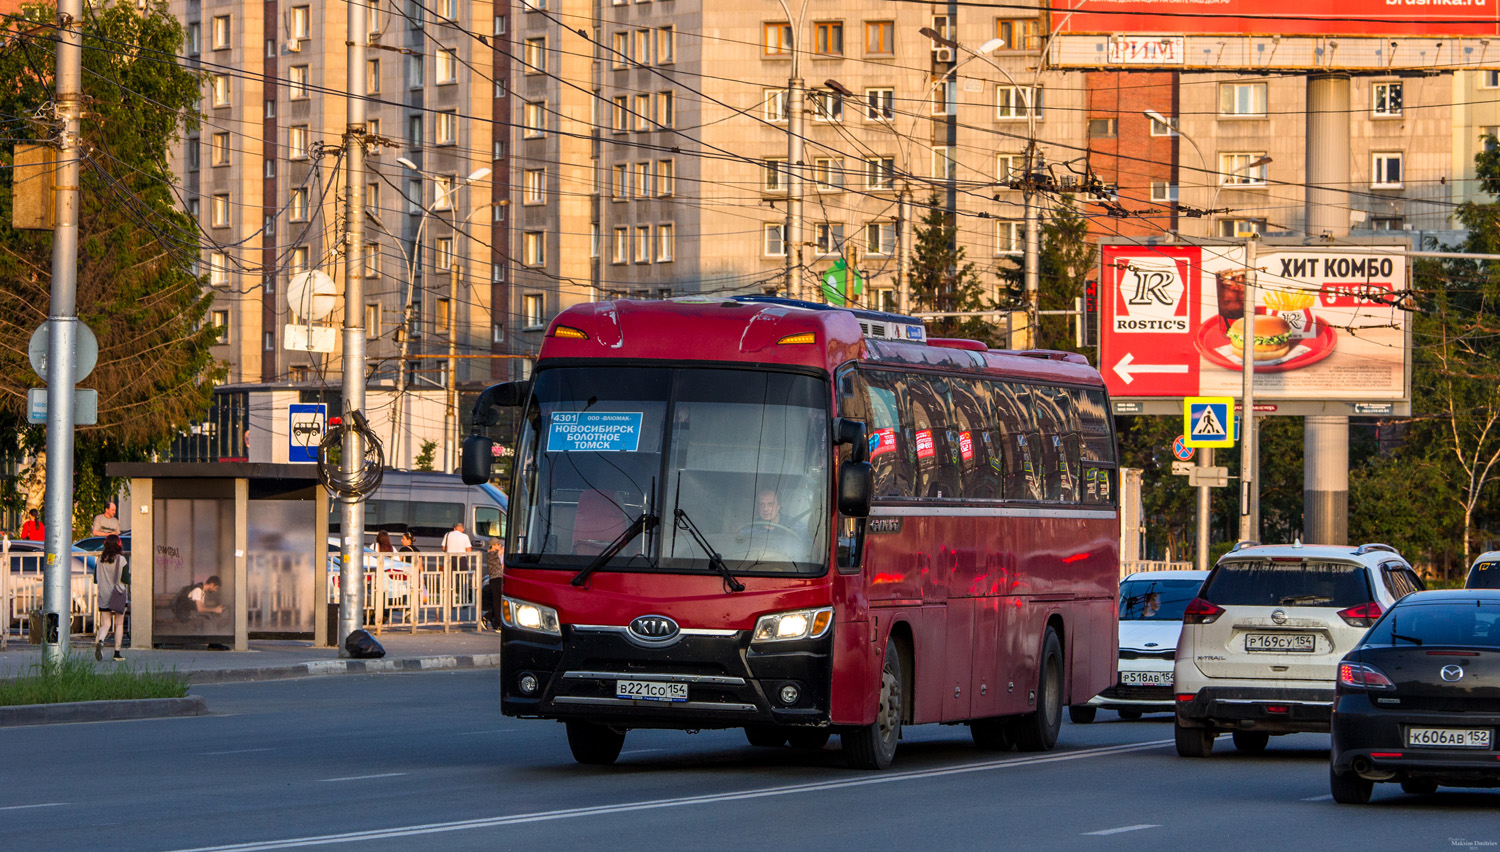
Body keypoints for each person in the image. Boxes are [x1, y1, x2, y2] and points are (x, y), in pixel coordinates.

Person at [93, 535, 128, 661]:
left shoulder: (100, 560)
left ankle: (100, 640)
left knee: (106, 623)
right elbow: (125, 579)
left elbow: (96, 579)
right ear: (119, 544)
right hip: (117, 594)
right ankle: (117, 653)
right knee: (119, 624)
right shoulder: (122, 560)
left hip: (103, 594)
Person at [485, 537, 504, 630]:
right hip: (495, 579)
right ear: (493, 545)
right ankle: (497, 623)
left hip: (498, 578)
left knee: (498, 601)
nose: (500, 546)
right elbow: (503, 550)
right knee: (497, 601)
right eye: (498, 544)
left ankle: (488, 616)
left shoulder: (494, 555)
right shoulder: (491, 553)